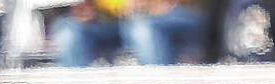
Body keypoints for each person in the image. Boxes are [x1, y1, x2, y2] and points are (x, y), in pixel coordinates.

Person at [50, 0, 207, 66]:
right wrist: (85, 11)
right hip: (112, 24)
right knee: (67, 30)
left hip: (170, 17)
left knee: (141, 29)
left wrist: (150, 5)